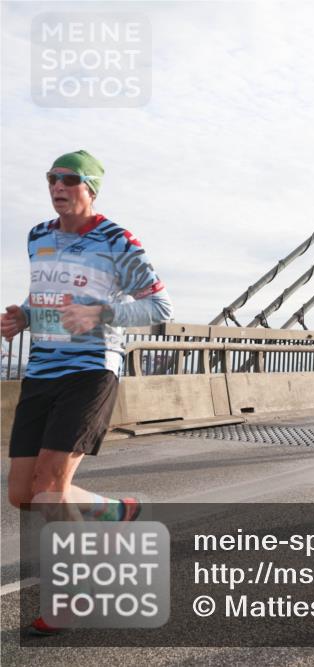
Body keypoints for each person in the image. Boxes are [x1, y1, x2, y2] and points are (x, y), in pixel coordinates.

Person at [2, 150, 173, 636]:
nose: (57, 185)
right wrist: (24, 317)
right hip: (42, 371)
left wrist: (101, 315)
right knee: (22, 494)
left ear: (90, 187)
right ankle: (114, 512)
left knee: (50, 487)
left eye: (68, 179)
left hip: (92, 370)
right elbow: (44, 296)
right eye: (51, 178)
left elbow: (159, 305)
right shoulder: (38, 236)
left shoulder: (118, 240)